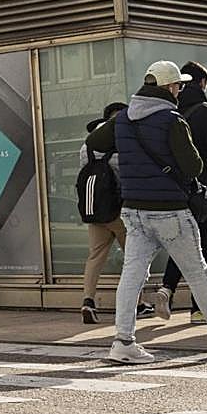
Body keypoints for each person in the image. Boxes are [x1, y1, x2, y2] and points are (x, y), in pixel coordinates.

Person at [86, 61, 207, 363]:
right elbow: (193, 166)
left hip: (134, 211)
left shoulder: (123, 119)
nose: (179, 90)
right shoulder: (171, 119)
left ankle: (123, 340)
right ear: (167, 88)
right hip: (170, 211)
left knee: (132, 275)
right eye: (177, 85)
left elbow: (95, 141)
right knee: (198, 273)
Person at [153, 61, 207, 324]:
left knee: (182, 245)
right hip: (204, 192)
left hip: (177, 191)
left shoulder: (171, 114)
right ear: (201, 83)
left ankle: (168, 288)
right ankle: (198, 308)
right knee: (204, 248)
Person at [79, 102, 128, 324]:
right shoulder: (121, 143)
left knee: (95, 256)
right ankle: (134, 304)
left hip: (95, 210)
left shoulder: (86, 146)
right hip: (119, 211)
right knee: (134, 258)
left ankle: (88, 301)